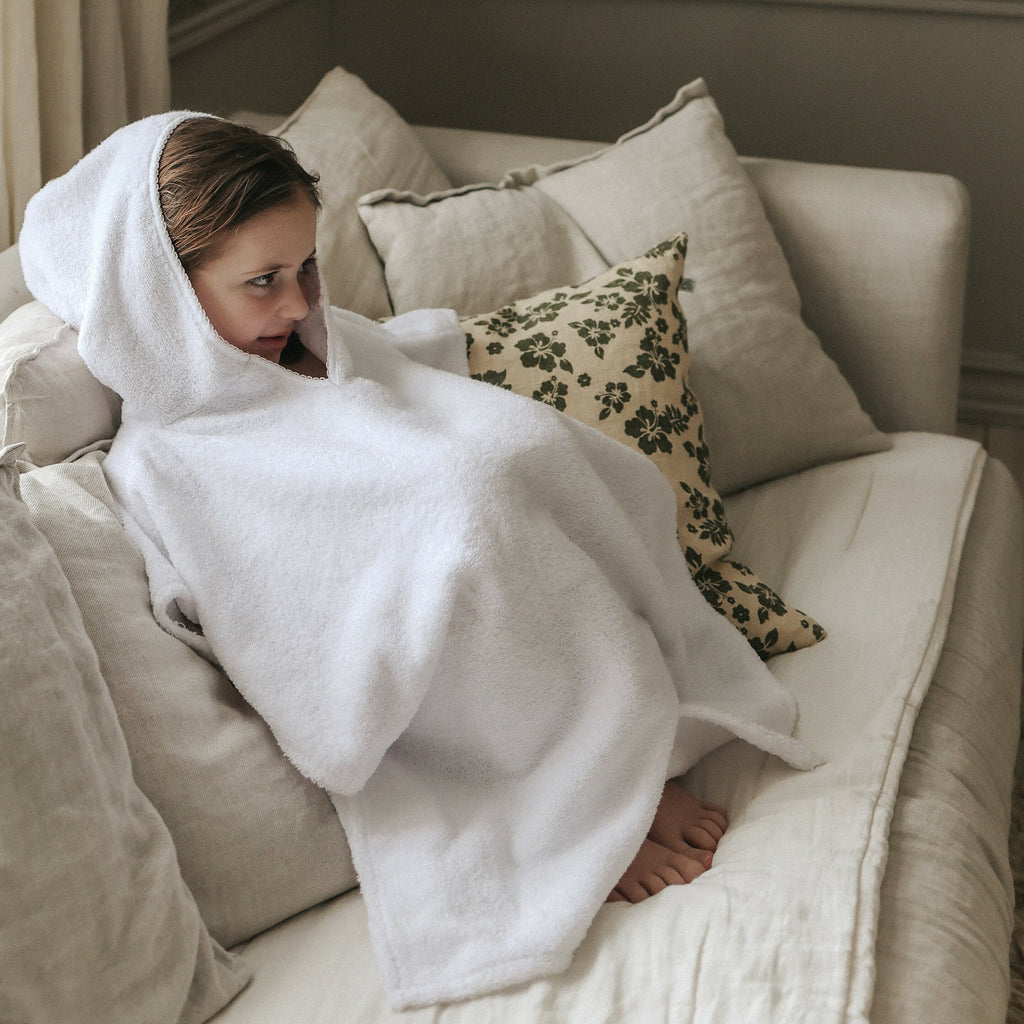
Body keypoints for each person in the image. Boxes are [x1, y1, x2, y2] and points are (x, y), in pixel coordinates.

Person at [19, 113, 814, 1006]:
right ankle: (590, 797)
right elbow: (294, 625)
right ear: (159, 290)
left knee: (515, 462)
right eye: (262, 282)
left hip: (549, 587)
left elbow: (411, 374)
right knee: (462, 527)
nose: (295, 306)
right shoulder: (171, 461)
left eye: (307, 269)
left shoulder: (321, 341)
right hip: (466, 654)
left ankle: (617, 731)